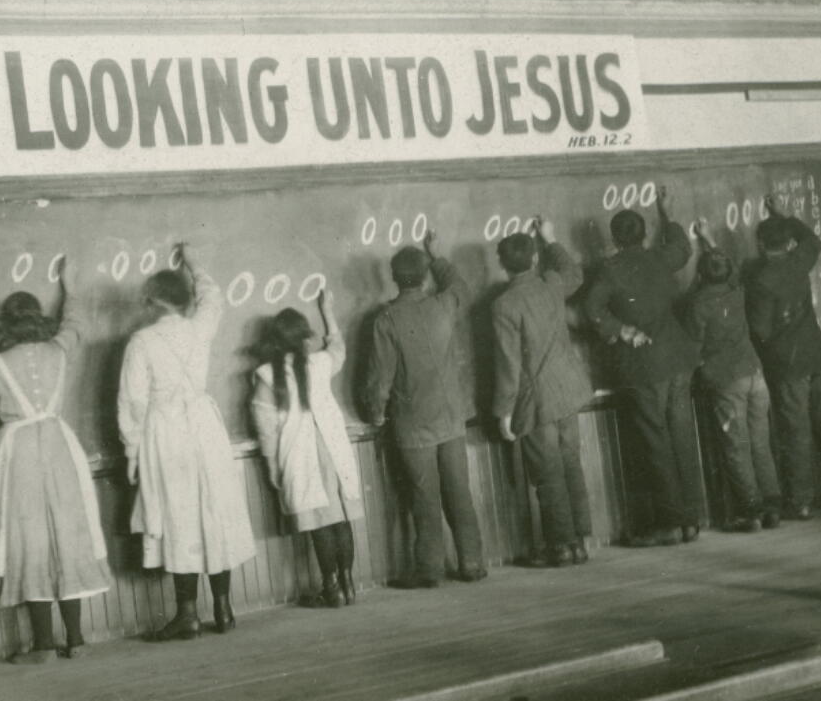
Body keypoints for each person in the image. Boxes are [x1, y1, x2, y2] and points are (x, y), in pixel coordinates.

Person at [0, 259, 110, 664]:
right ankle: (77, 640)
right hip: (61, 448)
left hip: (16, 458)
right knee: (68, 538)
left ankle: (43, 647)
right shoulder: (59, 350)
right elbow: (75, 325)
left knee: (28, 543)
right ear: (37, 320)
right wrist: (70, 289)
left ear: (4, 324)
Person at [117, 244, 256, 640]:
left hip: (165, 432)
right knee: (213, 511)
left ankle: (188, 614)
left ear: (151, 302)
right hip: (204, 425)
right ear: (181, 301)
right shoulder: (200, 325)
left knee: (180, 517)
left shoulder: (141, 342)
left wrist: (131, 451)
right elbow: (213, 295)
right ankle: (225, 608)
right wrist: (194, 262)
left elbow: (132, 402)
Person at [365, 229, 486, 587]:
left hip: (413, 424)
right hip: (451, 417)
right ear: (424, 275)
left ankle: (429, 570)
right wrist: (437, 256)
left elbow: (380, 379)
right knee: (459, 493)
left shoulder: (386, 321)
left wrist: (376, 413)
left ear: (393, 277)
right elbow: (461, 287)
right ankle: (472, 563)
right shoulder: (443, 304)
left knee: (424, 498)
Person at [584, 187, 703, 547]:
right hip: (679, 360)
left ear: (614, 239)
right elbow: (683, 248)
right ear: (644, 233)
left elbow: (592, 309)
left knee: (655, 442)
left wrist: (621, 331)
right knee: (681, 434)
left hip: (644, 366)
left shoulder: (609, 269)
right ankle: (691, 518)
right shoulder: (658, 258)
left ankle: (670, 522)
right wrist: (666, 213)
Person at [744, 202, 821, 520]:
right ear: (787, 243)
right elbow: (814, 240)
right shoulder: (799, 260)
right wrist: (783, 216)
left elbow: (760, 329)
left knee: (795, 431)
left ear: (761, 245)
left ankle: (801, 502)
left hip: (788, 364)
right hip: (818, 356)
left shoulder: (762, 280)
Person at [491, 217, 594, 567]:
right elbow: (573, 274)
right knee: (570, 465)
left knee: (548, 475)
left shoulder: (503, 305)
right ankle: (580, 541)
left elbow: (508, 365)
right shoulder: (551, 283)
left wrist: (504, 412)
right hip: (568, 389)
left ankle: (561, 547)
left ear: (502, 265)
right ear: (534, 260)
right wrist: (550, 239)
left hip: (536, 401)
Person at [251, 289, 363, 608]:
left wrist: (273, 467)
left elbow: (266, 429)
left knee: (319, 523)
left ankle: (331, 589)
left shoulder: (266, 374)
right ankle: (348, 583)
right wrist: (327, 310)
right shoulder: (320, 362)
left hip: (300, 457)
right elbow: (338, 348)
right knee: (340, 519)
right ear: (305, 339)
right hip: (332, 450)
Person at [686, 220, 781, 532]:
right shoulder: (737, 291)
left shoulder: (699, 304)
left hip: (728, 381)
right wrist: (709, 238)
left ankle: (751, 511)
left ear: (700, 275)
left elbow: (694, 345)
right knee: (760, 442)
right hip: (756, 374)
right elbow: (724, 267)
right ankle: (772, 506)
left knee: (736, 445)